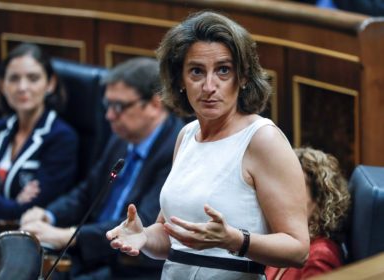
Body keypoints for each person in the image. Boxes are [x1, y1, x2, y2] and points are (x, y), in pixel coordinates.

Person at [106, 11, 310, 280]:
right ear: (180, 80)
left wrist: (234, 240)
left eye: (223, 70)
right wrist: (143, 236)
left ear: (244, 77)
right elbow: (170, 242)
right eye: (196, 72)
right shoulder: (187, 135)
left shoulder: (262, 139)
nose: (209, 86)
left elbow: (298, 249)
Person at [20, 57, 184, 279]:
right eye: (107, 106)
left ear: (155, 104)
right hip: (94, 254)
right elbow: (88, 192)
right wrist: (49, 214)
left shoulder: (176, 149)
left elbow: (143, 223)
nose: (109, 116)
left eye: (119, 106)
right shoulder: (121, 138)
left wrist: (68, 235)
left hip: (131, 266)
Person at [0, 43, 78, 228]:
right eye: (14, 79)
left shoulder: (62, 138)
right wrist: (12, 204)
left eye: (33, 78)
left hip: (27, 240)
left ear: (50, 84)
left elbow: (29, 211)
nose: (22, 87)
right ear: (2, 85)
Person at [265, 147, 351, 280]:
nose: (281, 198)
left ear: (321, 200)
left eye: (294, 189)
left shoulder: (321, 255)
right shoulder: (284, 245)